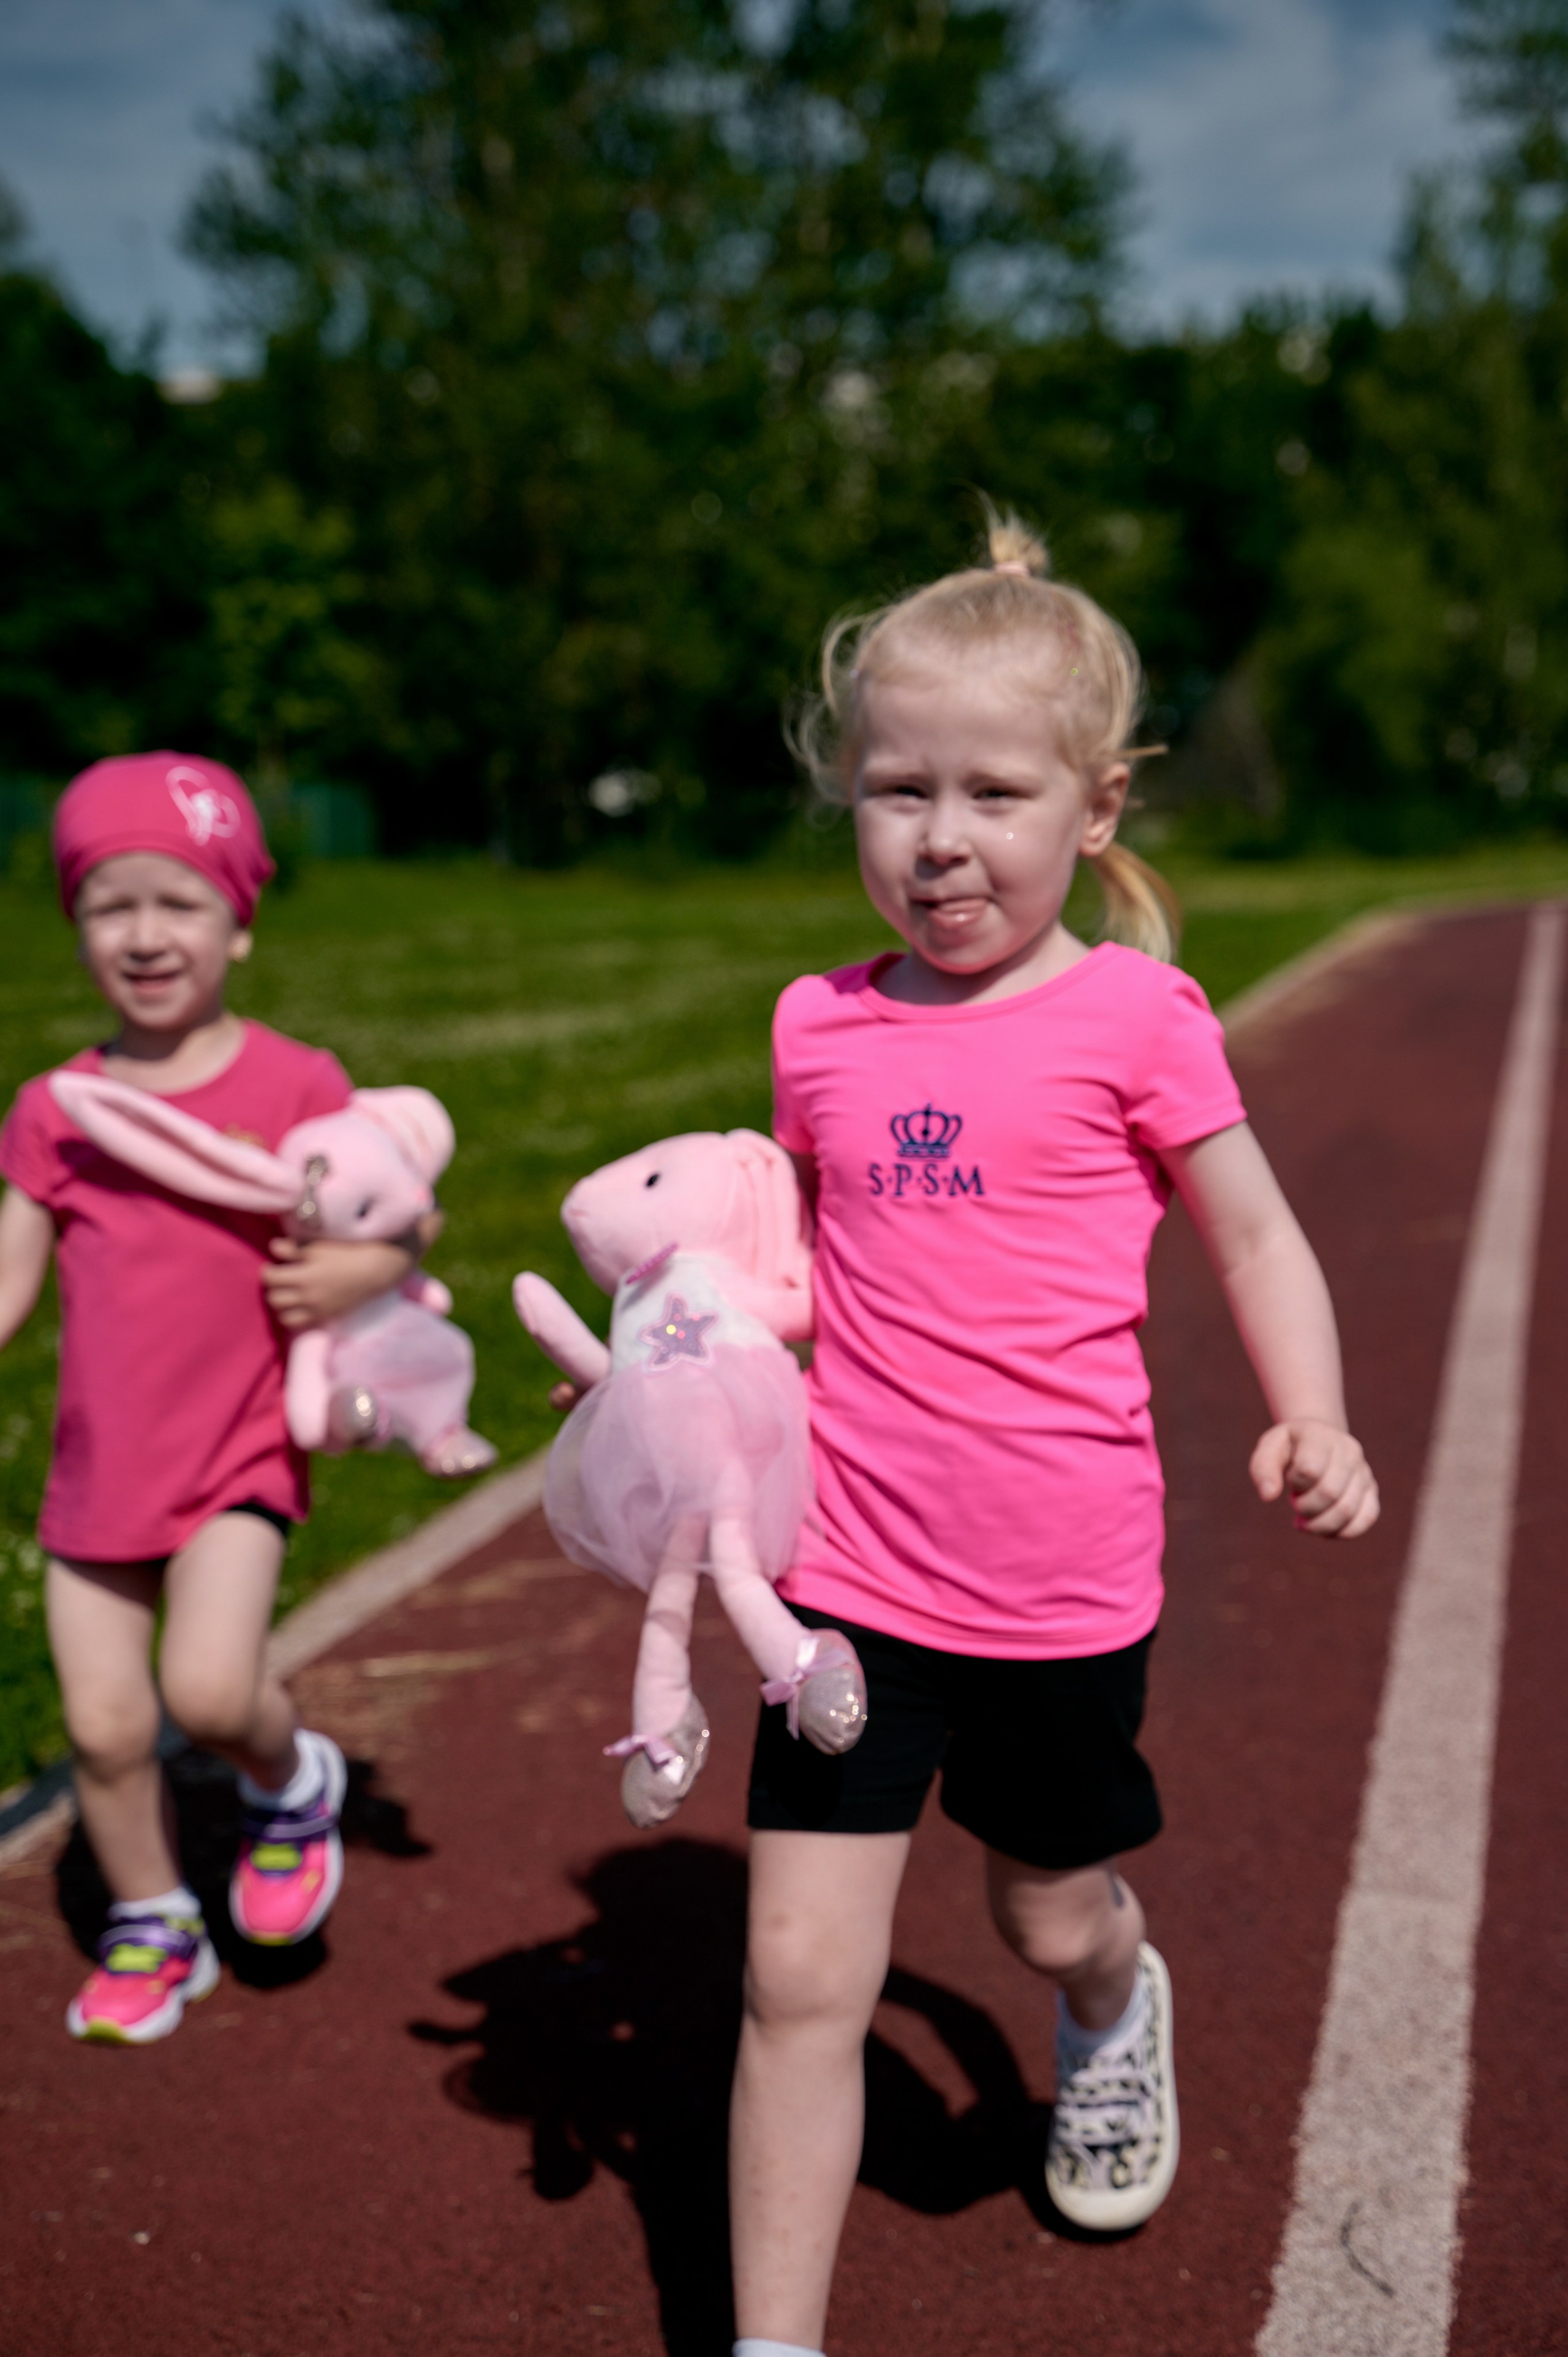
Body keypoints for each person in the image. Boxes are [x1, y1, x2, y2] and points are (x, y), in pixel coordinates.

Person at [728, 513, 1379, 2355]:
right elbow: (775, 1253)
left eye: (994, 793)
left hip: (1060, 1588)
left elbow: (1253, 1229)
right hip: (842, 1571)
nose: (938, 838)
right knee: (795, 1980)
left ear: (1093, 813)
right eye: (895, 789)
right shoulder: (817, 1028)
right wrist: (665, 1374)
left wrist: (1312, 1411)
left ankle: (1112, 2006)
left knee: (1044, 1914)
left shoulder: (1136, 1017)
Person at [0, 753, 434, 2045]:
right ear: (76, 926)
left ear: (239, 924)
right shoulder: (56, 1112)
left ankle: (287, 1778)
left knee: (203, 1689)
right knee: (105, 1724)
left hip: (240, 1451)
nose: (144, 934)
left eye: (178, 902)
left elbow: (395, 1215)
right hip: (97, 1474)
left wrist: (368, 1263)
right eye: (110, 904)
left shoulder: (296, 1084)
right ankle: (152, 1918)